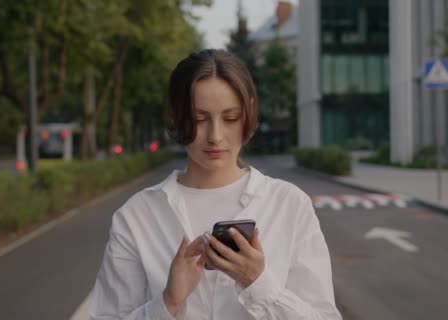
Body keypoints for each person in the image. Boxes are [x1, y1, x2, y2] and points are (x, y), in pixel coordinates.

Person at [89, 49, 342, 319]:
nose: (215, 136)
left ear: (249, 112)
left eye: (231, 118)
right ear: (175, 116)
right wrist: (168, 303)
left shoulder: (289, 204)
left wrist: (258, 284)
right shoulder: (137, 216)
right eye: (199, 120)